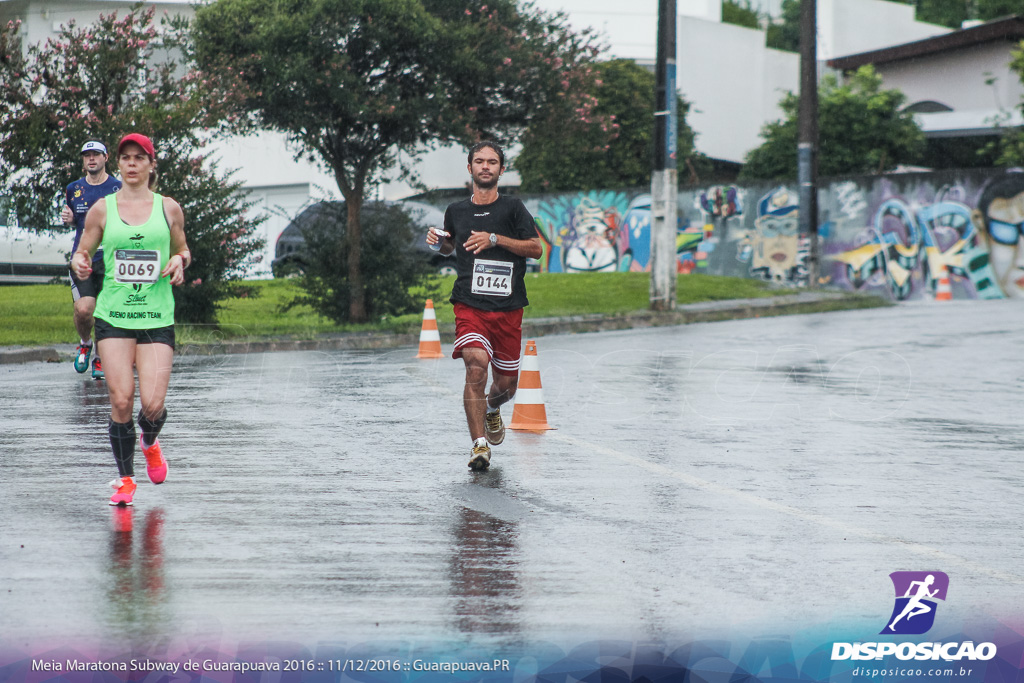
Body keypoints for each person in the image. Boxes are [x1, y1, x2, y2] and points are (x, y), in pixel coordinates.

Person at [71, 133, 190, 506]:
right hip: (115, 315)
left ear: (151, 165)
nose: (132, 163)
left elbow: (183, 248)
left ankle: (150, 441)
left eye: (140, 157)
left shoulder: (169, 208)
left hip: (156, 316)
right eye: (126, 158)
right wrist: (79, 261)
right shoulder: (102, 209)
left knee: (152, 406)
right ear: (118, 164)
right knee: (121, 400)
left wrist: (179, 261)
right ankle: (125, 479)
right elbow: (82, 251)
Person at [426, 141, 542, 470]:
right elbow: (450, 246)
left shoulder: (514, 208)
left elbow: (536, 249)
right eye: (480, 161)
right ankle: (479, 446)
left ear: (501, 170)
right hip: (469, 304)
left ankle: (493, 408)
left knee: (506, 386)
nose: (486, 166)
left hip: (508, 309)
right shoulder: (457, 210)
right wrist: (439, 239)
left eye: (493, 162)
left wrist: (495, 239)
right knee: (475, 364)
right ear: (470, 168)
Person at [63, 140, 123, 379]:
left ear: (106, 158)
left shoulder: (118, 187)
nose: (91, 159)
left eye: (96, 154)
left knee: (107, 311)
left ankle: (99, 357)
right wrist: (68, 220)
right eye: (87, 155)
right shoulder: (73, 188)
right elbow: (72, 218)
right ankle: (85, 343)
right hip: (83, 258)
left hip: (111, 260)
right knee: (85, 308)